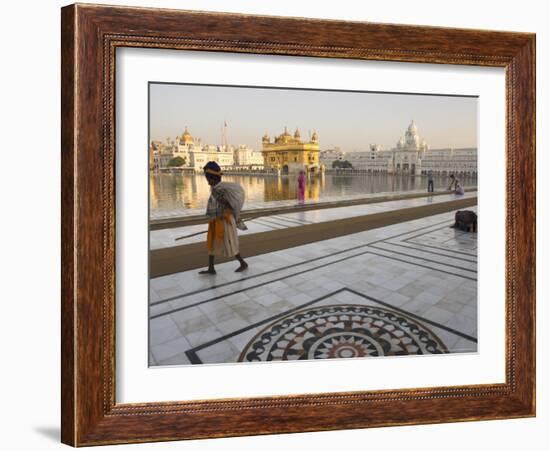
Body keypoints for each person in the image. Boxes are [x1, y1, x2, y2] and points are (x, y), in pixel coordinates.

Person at [199, 161, 248, 275]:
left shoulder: (219, 189)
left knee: (230, 243)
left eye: (208, 179)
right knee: (212, 243)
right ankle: (211, 268)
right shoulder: (216, 187)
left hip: (225, 221)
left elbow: (229, 206)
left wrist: (224, 207)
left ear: (213, 178)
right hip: (216, 220)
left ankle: (243, 263)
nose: (207, 182)